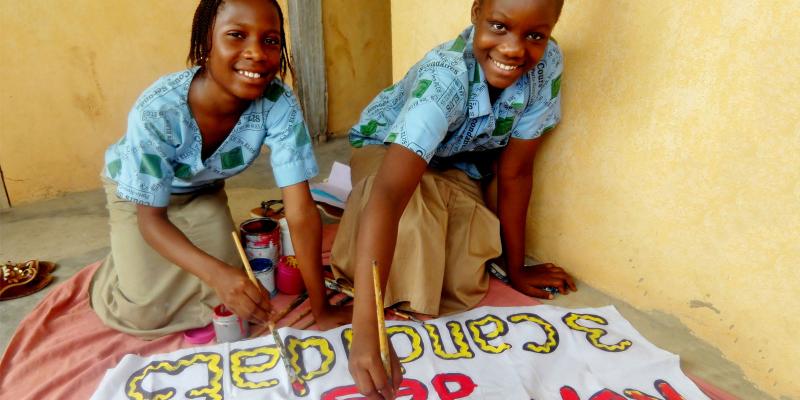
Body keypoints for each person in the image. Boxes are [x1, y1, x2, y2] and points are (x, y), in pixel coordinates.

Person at [330, 0, 577, 397]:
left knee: (466, 259)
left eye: (535, 35)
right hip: (386, 151)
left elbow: (514, 172)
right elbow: (390, 193)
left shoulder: (547, 64)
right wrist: (366, 331)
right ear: (476, 12)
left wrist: (516, 269)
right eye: (498, 26)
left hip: (456, 163)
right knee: (411, 220)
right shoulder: (444, 79)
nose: (514, 49)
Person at [90, 0, 349, 339]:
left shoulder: (278, 103)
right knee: (144, 315)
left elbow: (300, 210)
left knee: (237, 292)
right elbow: (150, 220)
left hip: (202, 191)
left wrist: (321, 307)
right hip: (137, 195)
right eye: (236, 35)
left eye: (270, 40)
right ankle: (111, 272)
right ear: (205, 44)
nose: (256, 53)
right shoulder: (158, 110)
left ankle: (156, 255)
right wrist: (217, 274)